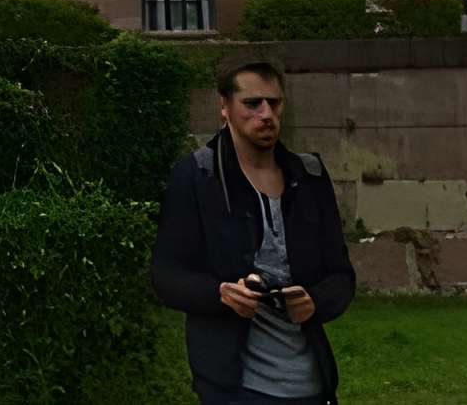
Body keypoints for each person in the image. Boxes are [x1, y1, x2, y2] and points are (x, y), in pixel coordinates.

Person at [151, 56, 355, 405]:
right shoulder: (198, 177)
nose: (266, 114)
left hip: (311, 381)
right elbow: (166, 275)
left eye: (274, 103)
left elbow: (342, 277)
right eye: (252, 104)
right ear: (224, 107)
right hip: (235, 386)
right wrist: (221, 293)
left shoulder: (309, 177)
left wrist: (314, 302)